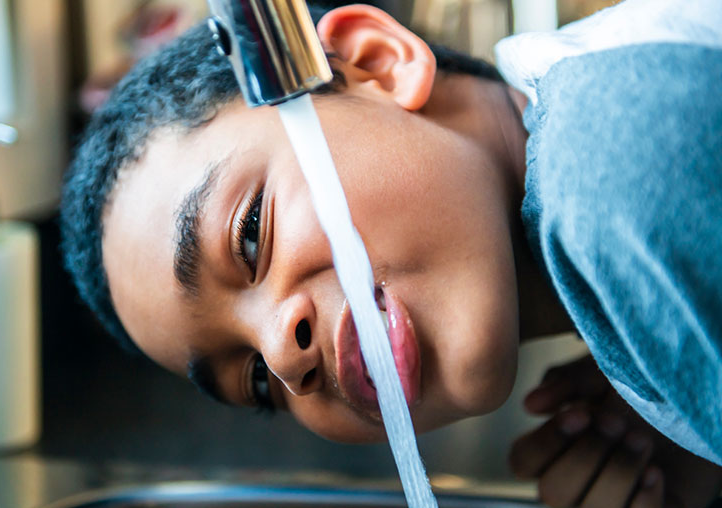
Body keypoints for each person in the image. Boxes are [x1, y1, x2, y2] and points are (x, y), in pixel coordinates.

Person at [60, 1, 722, 505]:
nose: (285, 356)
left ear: (376, 63)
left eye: (252, 234)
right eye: (257, 381)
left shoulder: (609, 171)